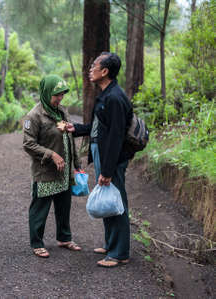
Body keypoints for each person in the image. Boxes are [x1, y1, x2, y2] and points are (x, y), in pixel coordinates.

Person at [65, 52, 133, 267]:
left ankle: (120, 253)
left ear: (105, 71)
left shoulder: (114, 98)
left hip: (111, 157)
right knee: (107, 197)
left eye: (94, 66)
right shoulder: (105, 95)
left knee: (117, 200)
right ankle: (110, 243)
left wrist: (108, 170)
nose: (90, 69)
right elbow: (97, 128)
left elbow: (115, 137)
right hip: (101, 154)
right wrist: (74, 128)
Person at [22, 74, 82, 258]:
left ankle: (64, 238)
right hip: (46, 171)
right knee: (40, 207)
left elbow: (69, 138)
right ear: (46, 92)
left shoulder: (62, 111)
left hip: (64, 171)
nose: (60, 98)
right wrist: (51, 154)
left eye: (62, 94)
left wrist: (77, 164)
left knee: (64, 205)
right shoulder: (34, 116)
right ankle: (37, 242)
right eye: (56, 94)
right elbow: (28, 144)